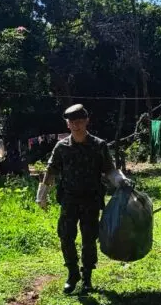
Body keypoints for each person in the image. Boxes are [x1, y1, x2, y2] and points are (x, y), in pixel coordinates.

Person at [36, 104, 130, 294]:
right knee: (66, 236)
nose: (76, 125)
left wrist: (121, 181)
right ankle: (72, 274)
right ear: (67, 124)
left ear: (86, 121)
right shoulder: (62, 147)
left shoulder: (98, 145)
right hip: (69, 199)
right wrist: (42, 194)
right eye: (72, 122)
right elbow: (50, 170)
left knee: (89, 239)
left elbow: (109, 169)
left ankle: (87, 276)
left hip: (91, 199)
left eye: (79, 121)